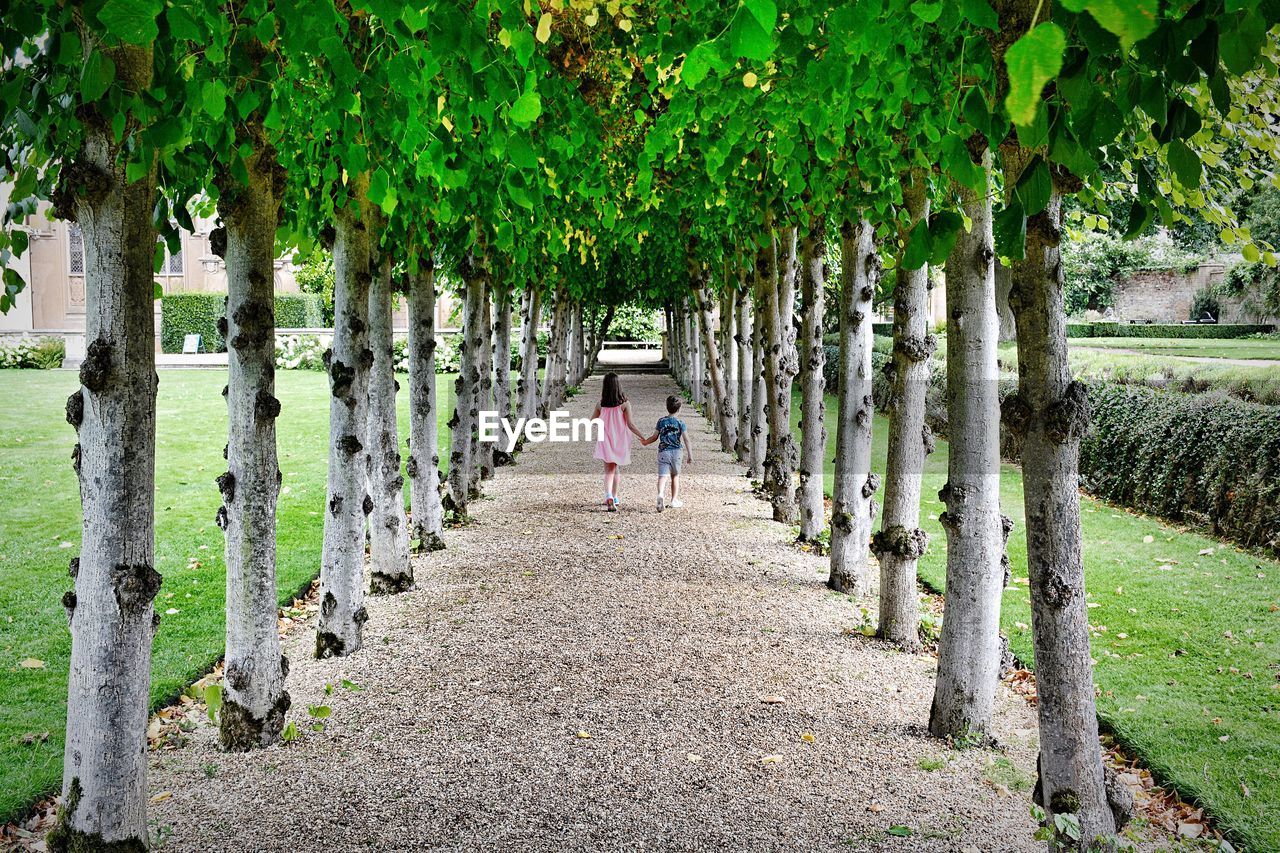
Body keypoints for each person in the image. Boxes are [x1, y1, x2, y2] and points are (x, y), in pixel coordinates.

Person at [592, 372, 650, 512]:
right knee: (615, 468)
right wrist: (643, 437)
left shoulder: (600, 404)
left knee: (608, 470)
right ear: (618, 386)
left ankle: (609, 495)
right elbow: (630, 424)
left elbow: (592, 421)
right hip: (620, 440)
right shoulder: (624, 404)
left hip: (605, 439)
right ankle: (615, 496)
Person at [648, 395, 693, 512]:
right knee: (675, 476)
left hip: (664, 451)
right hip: (677, 452)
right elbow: (686, 439)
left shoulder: (661, 421)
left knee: (662, 476)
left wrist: (645, 441)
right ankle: (674, 500)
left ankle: (661, 494)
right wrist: (690, 454)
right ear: (679, 409)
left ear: (667, 407)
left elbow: (654, 437)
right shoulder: (680, 422)